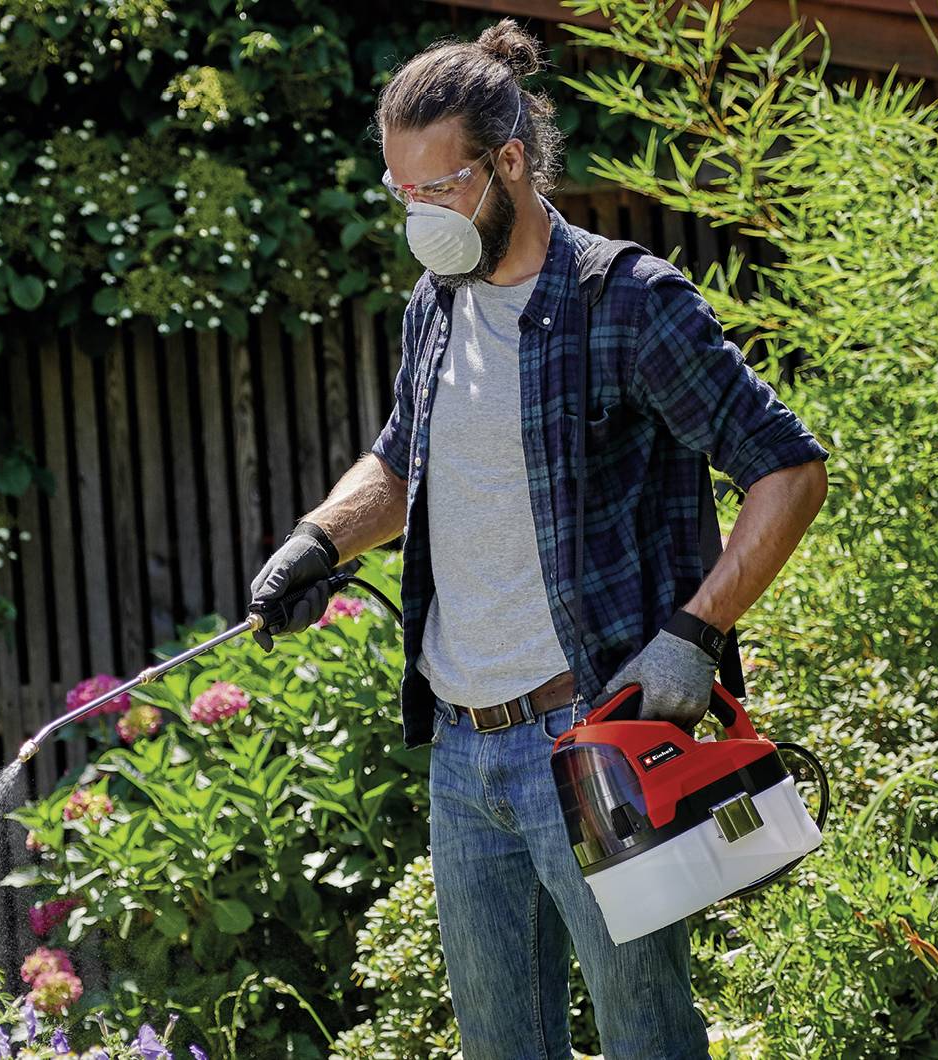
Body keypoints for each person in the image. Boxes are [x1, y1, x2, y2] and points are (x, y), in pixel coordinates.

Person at [245, 18, 830, 1060]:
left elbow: (785, 468)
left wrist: (694, 634)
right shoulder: (436, 303)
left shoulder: (627, 301)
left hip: (588, 743)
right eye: (402, 193)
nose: (419, 216)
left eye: (439, 188)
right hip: (461, 756)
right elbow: (397, 461)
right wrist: (316, 542)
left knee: (645, 1036)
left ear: (509, 161)